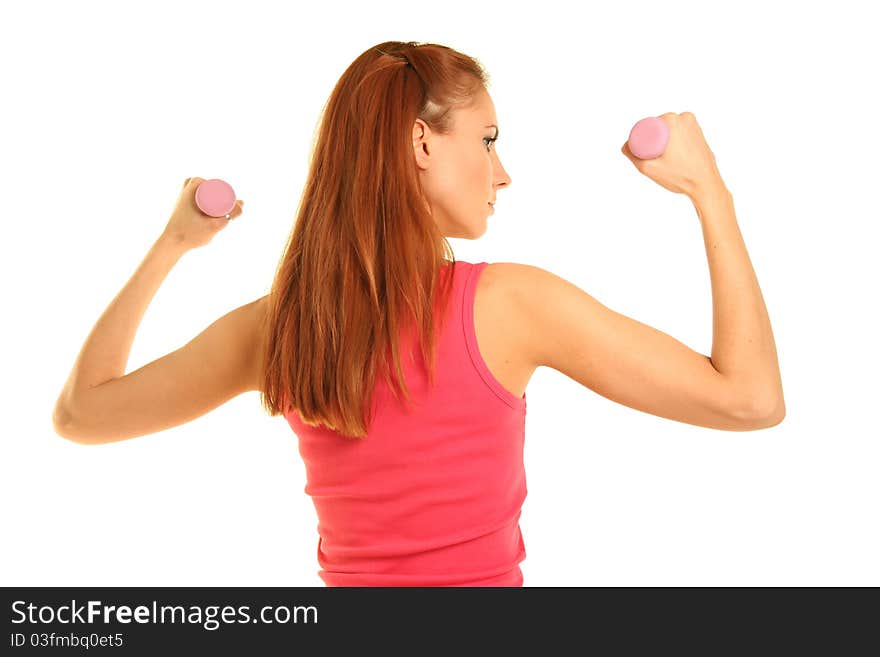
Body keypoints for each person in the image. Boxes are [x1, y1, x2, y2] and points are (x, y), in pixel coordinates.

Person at [52, 40, 785, 586]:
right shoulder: (507, 306)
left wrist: (172, 244)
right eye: (489, 139)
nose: (502, 172)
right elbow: (749, 399)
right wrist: (710, 191)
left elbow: (82, 413)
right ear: (421, 141)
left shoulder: (283, 327)